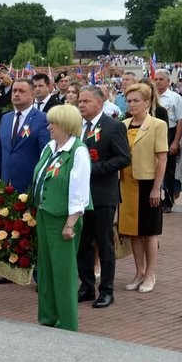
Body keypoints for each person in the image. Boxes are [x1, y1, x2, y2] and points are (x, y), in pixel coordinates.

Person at [32, 104, 92, 331]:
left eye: (53, 123)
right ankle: (48, 316)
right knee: (46, 268)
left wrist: (70, 224)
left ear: (66, 125)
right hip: (44, 214)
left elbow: (80, 190)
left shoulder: (78, 151)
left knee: (63, 271)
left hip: (63, 218)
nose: (49, 127)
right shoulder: (50, 147)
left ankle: (66, 321)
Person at [0, 78, 50, 285]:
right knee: (10, 228)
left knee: (33, 230)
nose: (16, 94)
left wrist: (40, 184)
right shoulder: (6, 119)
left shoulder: (42, 119)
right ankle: (10, 270)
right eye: (14, 90)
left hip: (30, 185)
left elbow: (45, 154)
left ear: (32, 94)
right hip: (8, 185)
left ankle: (39, 274)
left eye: (21, 91)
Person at [75, 86, 131, 309]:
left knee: (104, 242)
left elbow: (123, 157)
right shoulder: (76, 126)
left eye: (86, 101)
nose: (81, 105)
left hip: (102, 194)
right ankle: (86, 285)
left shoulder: (113, 126)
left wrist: (94, 168)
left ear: (99, 103)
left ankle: (106, 290)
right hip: (80, 194)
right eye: (80, 101)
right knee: (83, 242)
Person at [118, 83, 168, 293]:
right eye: (129, 101)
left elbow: (162, 159)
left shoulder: (157, 125)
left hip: (147, 182)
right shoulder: (123, 125)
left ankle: (150, 273)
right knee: (133, 232)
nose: (132, 104)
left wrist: (157, 188)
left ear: (147, 102)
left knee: (149, 231)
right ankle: (139, 272)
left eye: (136, 100)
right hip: (126, 183)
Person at [154, 69, 182, 209]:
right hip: (153, 133)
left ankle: (168, 200)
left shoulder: (175, 97)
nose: (158, 82)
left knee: (168, 169)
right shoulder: (150, 96)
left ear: (168, 81)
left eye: (161, 79)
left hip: (170, 133)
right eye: (156, 79)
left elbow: (181, 120)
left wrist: (175, 142)